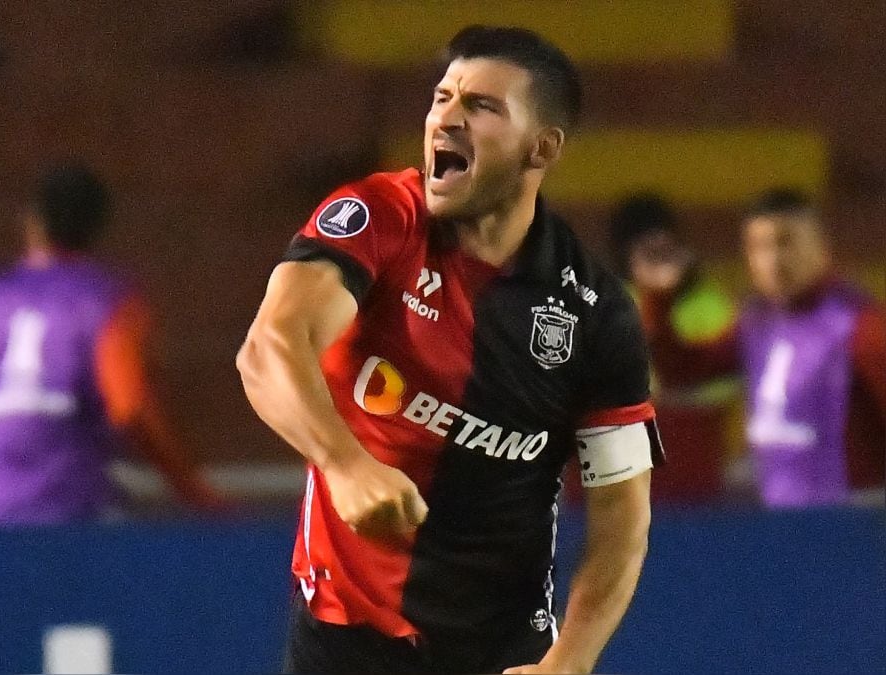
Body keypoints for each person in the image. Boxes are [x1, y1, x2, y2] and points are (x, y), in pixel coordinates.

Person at [237, 26, 662, 674]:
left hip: (500, 650)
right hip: (345, 633)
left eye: (482, 106)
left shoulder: (595, 315)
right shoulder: (382, 217)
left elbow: (622, 516)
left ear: (541, 147)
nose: (447, 118)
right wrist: (345, 463)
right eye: (442, 98)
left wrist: (568, 662)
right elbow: (269, 348)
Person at [0, 165, 225, 525]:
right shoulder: (110, 301)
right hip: (73, 517)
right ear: (95, 227)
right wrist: (194, 493)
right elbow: (130, 408)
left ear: (31, 222)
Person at [638, 188, 885, 508]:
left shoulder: (860, 327)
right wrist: (659, 300)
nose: (774, 260)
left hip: (854, 525)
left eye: (786, 242)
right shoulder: (757, 324)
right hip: (779, 523)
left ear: (822, 249)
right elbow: (683, 374)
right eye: (759, 247)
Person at [605, 193, 741, 504]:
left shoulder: (712, 304)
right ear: (626, 254)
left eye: (667, 250)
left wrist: (671, 401)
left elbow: (724, 384)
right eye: (648, 252)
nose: (660, 262)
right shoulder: (603, 304)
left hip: (696, 458)